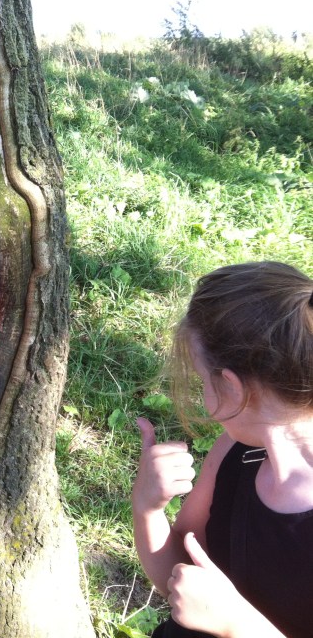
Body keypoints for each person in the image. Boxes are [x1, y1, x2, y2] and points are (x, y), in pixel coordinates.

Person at [132, 261, 313, 638]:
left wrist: (236, 624)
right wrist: (147, 507)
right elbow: (178, 575)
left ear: (232, 387)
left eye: (203, 380)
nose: (202, 394)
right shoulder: (236, 448)